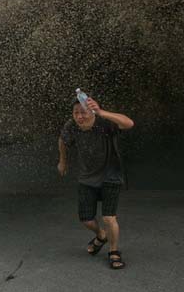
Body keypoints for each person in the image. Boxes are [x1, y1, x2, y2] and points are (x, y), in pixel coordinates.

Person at [58, 96, 134, 270]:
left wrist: (101, 112)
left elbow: (128, 123)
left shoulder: (105, 124)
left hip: (111, 177)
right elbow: (62, 140)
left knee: (109, 217)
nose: (79, 116)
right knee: (86, 219)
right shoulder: (71, 126)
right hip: (87, 178)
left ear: (92, 111)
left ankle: (114, 251)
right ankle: (101, 235)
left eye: (83, 112)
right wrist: (63, 161)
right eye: (75, 113)